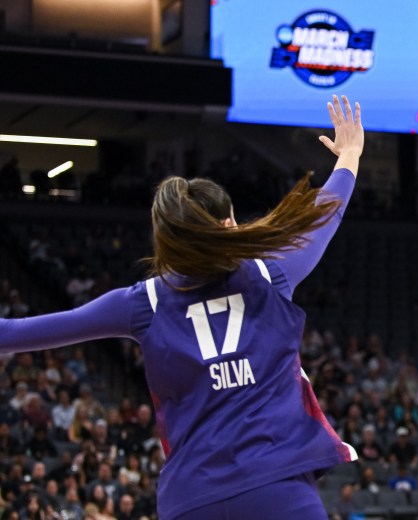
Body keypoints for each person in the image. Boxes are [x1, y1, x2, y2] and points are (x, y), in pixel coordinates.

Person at [0, 95, 364, 520]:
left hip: (192, 499)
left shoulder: (143, 303)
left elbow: (15, 332)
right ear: (229, 225)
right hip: (278, 488)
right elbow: (326, 212)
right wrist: (350, 155)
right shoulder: (271, 274)